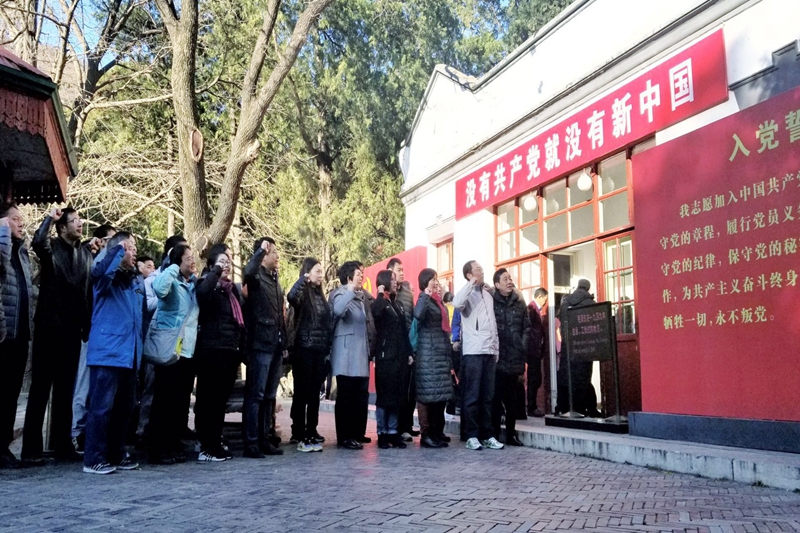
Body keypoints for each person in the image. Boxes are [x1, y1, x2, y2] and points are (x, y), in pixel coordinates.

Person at [23, 207, 94, 465]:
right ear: (62, 228)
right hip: (49, 327)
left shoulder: (85, 254)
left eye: (80, 220)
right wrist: (48, 220)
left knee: (66, 390)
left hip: (73, 329)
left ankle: (63, 445)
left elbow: (87, 291)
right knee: (41, 389)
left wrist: (86, 325)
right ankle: (31, 448)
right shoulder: (51, 248)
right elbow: (37, 242)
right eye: (74, 221)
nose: (80, 224)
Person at [82, 232, 142, 474]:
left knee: (124, 410)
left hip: (129, 353)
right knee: (101, 409)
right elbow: (102, 271)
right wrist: (116, 250)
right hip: (107, 352)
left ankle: (116, 453)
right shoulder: (104, 276)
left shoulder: (132, 280)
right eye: (131, 247)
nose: (135, 252)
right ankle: (93, 458)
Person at [147, 243, 199, 464]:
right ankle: (157, 449)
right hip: (169, 350)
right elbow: (159, 289)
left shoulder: (192, 285)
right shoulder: (171, 283)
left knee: (179, 402)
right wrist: (173, 267)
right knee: (164, 401)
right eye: (188, 258)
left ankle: (173, 444)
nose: (192, 261)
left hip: (187, 352)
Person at [193, 244, 244, 462]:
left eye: (228, 261)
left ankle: (214, 441)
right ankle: (206, 445)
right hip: (210, 350)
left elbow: (238, 321)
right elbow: (202, 295)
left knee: (220, 401)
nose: (226, 265)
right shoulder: (206, 283)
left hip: (229, 350)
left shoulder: (231, 290)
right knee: (209, 400)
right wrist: (214, 271)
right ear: (212, 265)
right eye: (222, 261)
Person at [136, 236, 185, 448]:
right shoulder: (154, 280)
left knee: (170, 391)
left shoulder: (184, 280)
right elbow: (147, 304)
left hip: (176, 343)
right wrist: (166, 299)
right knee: (151, 388)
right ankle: (143, 430)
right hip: (156, 342)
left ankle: (171, 433)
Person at [72, 224, 117, 456]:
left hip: (101, 333)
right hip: (88, 330)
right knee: (83, 385)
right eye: (112, 240)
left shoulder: (112, 265)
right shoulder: (90, 260)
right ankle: (76, 431)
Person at [242, 237, 287, 458]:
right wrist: (259, 251)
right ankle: (251, 442)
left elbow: (280, 315)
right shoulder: (257, 277)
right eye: (272, 252)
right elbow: (248, 272)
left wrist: (284, 342)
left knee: (269, 395)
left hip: (275, 344)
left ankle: (265, 438)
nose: (277, 256)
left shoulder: (275, 279)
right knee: (256, 395)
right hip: (260, 344)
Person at [453, 260, 503, 451]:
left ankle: (487, 435)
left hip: (489, 351)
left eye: (482, 269)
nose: (482, 271)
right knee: (472, 396)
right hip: (473, 351)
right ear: (469, 274)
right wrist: (471, 284)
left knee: (488, 396)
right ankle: (471, 435)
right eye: (478, 270)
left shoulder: (488, 295)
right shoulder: (466, 294)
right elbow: (457, 303)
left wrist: (496, 349)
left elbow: (493, 325)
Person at [0, 203, 34, 469]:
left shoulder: (22, 253)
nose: (21, 223)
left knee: (11, 394)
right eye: (14, 219)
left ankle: (4, 447)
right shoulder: (3, 249)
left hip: (21, 333)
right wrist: (2, 232)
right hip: (4, 334)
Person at [287, 258, 332, 453]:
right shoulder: (303, 294)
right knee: (302, 393)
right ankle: (299, 432)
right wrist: (302, 281)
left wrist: (327, 350)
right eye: (317, 271)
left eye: (322, 272)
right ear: (308, 273)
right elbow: (291, 297)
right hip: (303, 349)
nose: (321, 275)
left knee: (314, 395)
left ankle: (311, 431)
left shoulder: (321, 296)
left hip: (319, 352)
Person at [329, 261, 370, 450]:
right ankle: (344, 437)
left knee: (356, 396)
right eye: (358, 274)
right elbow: (338, 310)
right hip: (345, 354)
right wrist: (350, 290)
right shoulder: (340, 293)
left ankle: (354, 434)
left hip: (358, 353)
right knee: (345, 396)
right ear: (349, 278)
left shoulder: (360, 297)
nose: (362, 277)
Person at [371, 269, 414, 449]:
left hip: (399, 357)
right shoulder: (380, 302)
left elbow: (404, 331)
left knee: (397, 397)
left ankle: (393, 432)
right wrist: (380, 294)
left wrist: (409, 353)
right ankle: (382, 433)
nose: (395, 282)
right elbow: (376, 313)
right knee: (384, 398)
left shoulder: (397, 304)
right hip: (384, 357)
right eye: (392, 279)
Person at [414, 268, 454, 449]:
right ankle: (427, 435)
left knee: (440, 396)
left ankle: (437, 433)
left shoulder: (438, 301)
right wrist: (425, 295)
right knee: (429, 396)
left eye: (436, 279)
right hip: (428, 355)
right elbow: (418, 315)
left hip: (440, 353)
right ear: (425, 281)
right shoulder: (424, 299)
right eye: (433, 279)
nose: (436, 282)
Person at [491, 268, 531, 446]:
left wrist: (522, 345)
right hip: (497, 357)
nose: (509, 282)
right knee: (495, 398)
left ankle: (511, 434)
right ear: (497, 284)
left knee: (512, 399)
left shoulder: (519, 301)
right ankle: (494, 433)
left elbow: (527, 326)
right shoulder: (491, 301)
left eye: (510, 278)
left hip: (515, 355)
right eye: (505, 279)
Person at [387, 257, 419, 442]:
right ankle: (394, 428)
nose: (402, 273)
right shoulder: (385, 294)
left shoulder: (407, 294)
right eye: (398, 270)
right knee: (396, 389)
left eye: (402, 270)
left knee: (409, 389)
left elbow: (412, 320)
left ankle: (406, 426)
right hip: (392, 349)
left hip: (408, 347)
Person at [558, 279, 600, 417]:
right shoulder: (591, 304)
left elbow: (561, 322)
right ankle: (582, 408)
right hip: (584, 346)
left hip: (568, 346)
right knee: (583, 379)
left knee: (567, 377)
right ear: (588, 288)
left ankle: (564, 407)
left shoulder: (565, 302)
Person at [527, 288, 548, 417]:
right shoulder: (532, 309)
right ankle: (531, 406)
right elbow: (528, 330)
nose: (545, 303)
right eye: (545, 300)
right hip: (532, 349)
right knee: (533, 378)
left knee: (535, 378)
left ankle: (532, 405)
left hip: (535, 349)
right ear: (539, 297)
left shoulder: (535, 309)